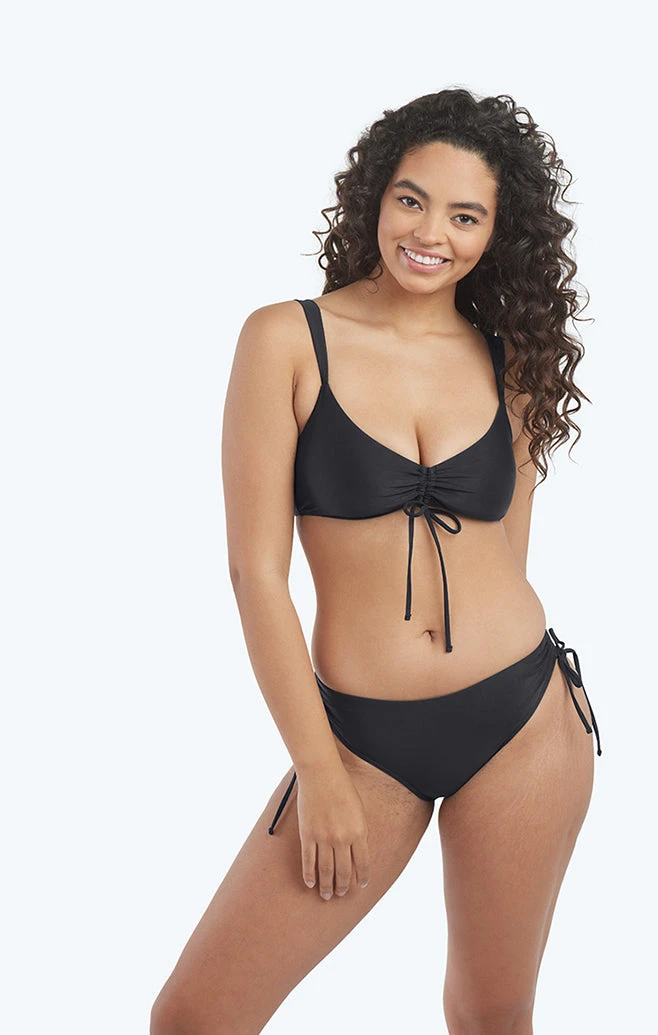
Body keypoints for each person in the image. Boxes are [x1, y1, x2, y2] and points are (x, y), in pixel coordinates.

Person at [151, 87, 602, 1035]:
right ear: (374, 198)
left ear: (496, 233)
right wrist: (315, 768)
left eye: (464, 215)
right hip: (359, 742)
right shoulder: (286, 339)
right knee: (194, 1017)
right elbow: (254, 574)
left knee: (490, 1014)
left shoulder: (509, 357)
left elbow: (510, 544)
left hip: (524, 723)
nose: (430, 232)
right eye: (411, 199)